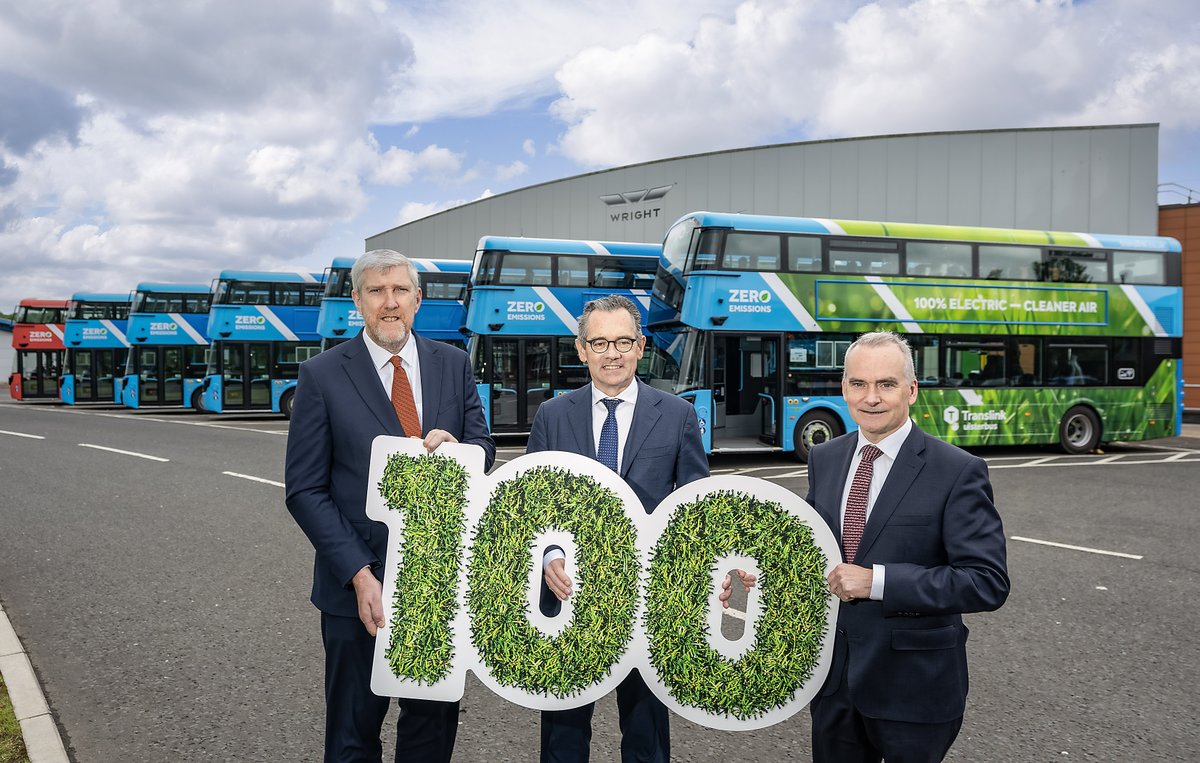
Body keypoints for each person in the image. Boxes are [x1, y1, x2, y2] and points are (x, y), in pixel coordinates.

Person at [284, 249, 496, 763]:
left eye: (400, 290)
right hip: (357, 586)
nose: (390, 302)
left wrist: (462, 450)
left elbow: (484, 451)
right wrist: (359, 574)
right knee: (353, 733)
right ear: (357, 300)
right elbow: (304, 490)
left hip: (437, 582)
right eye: (376, 291)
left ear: (418, 299)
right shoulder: (322, 375)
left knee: (430, 730)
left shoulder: (453, 364)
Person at [528, 294, 733, 763]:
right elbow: (530, 510)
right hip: (567, 595)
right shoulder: (552, 416)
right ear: (581, 350)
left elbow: (695, 507)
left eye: (623, 341)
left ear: (641, 346)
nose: (612, 353)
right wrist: (547, 557)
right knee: (563, 734)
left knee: (645, 734)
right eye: (599, 342)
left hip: (647, 599)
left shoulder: (678, 415)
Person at [805, 331, 1009, 763]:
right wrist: (753, 580)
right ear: (844, 389)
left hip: (914, 689)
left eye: (887, 384)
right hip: (834, 683)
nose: (871, 397)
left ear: (911, 390)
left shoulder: (958, 470)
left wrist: (877, 581)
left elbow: (986, 582)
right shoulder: (824, 459)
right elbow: (810, 552)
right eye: (859, 384)